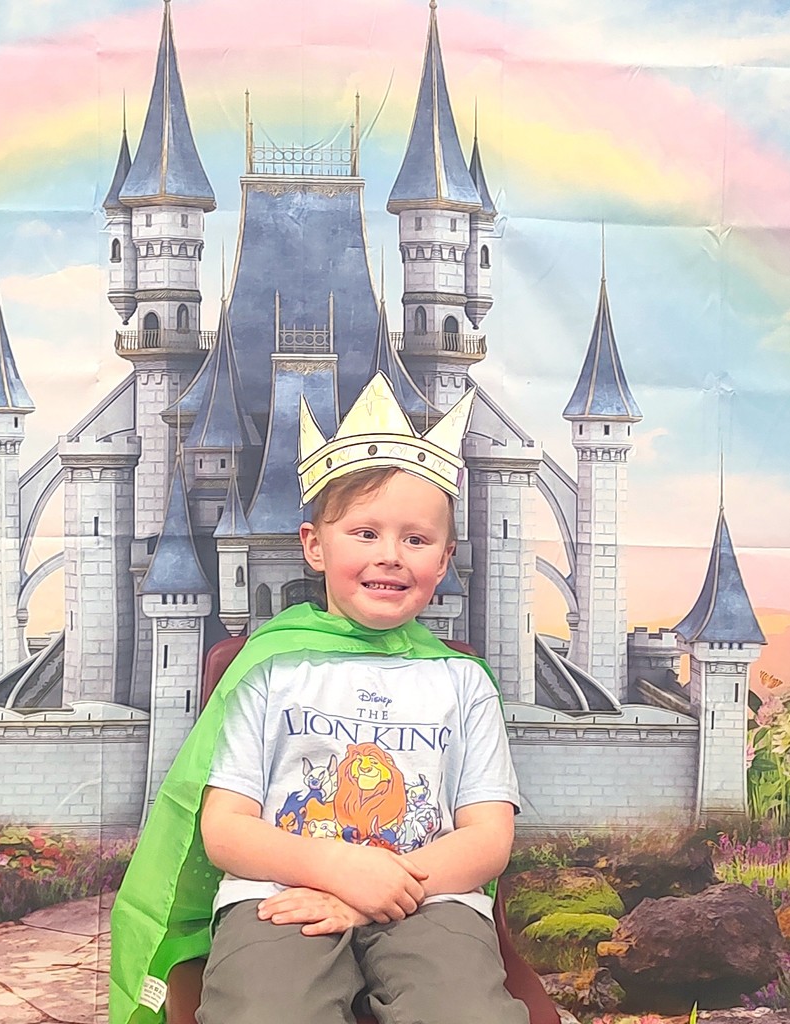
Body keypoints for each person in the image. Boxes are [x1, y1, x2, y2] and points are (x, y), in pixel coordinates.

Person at [109, 373, 527, 1024]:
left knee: (465, 1012)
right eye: (364, 533)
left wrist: (370, 892)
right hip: (281, 891)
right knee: (267, 1010)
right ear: (313, 544)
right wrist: (334, 867)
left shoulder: (462, 682)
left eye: (414, 540)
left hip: (430, 897)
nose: (390, 556)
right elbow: (224, 828)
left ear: (443, 561)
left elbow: (486, 840)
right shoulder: (272, 669)